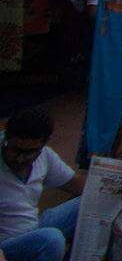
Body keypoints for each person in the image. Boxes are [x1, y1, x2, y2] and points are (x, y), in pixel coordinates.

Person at [0, 108, 86, 261]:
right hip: (6, 246)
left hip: (33, 226)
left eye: (29, 153)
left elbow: (77, 185)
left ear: (43, 145)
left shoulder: (45, 156)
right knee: (52, 240)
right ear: (6, 139)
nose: (20, 159)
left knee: (91, 202)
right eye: (15, 150)